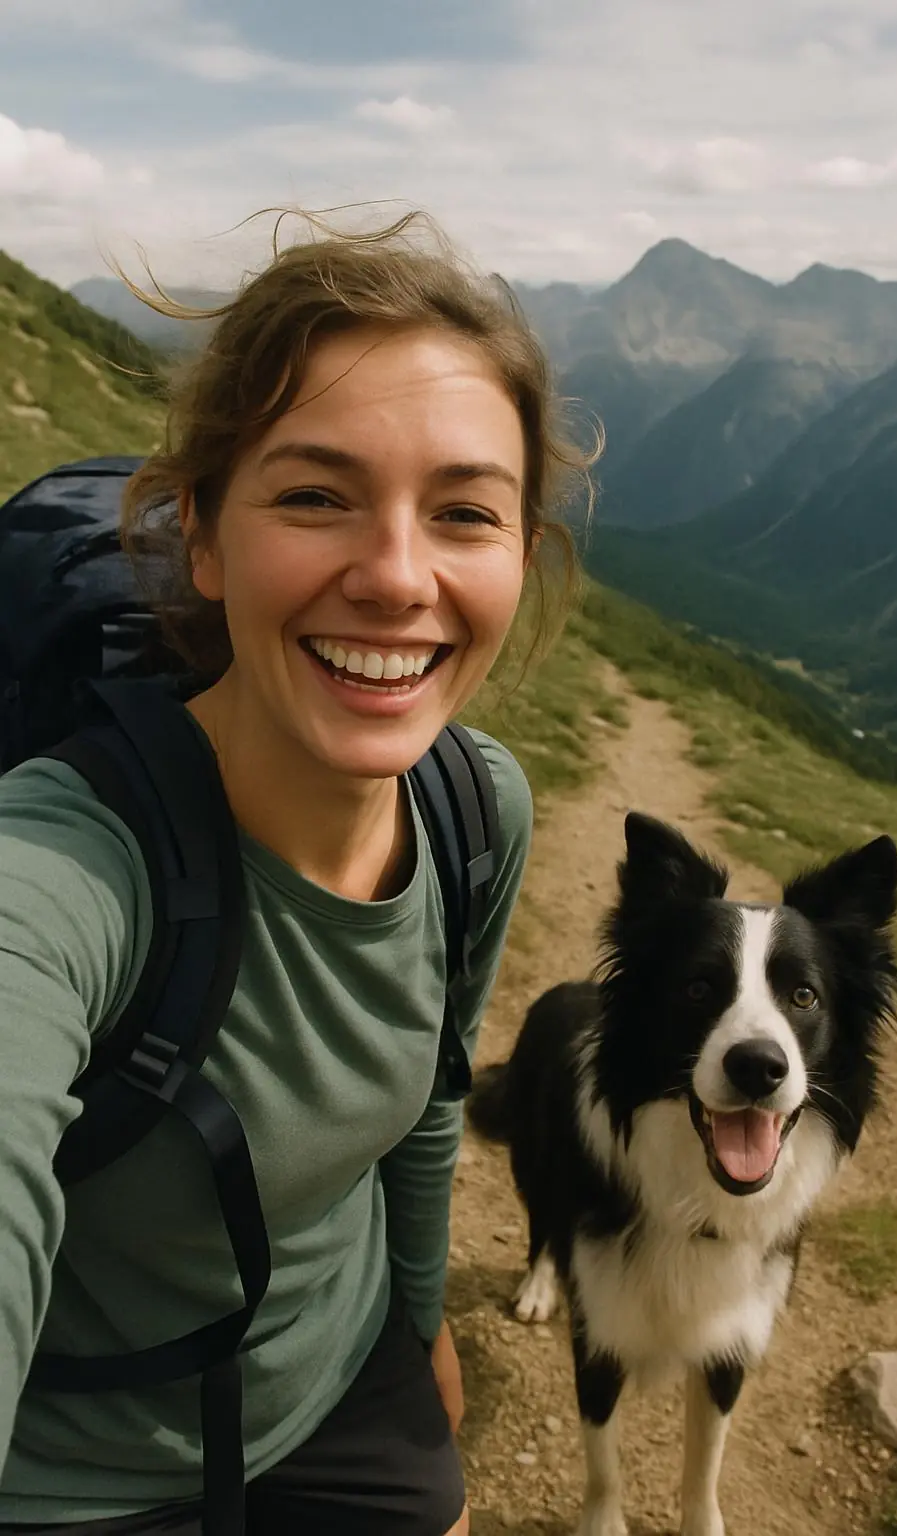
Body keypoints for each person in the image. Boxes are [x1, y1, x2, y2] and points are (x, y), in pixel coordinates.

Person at [0, 210, 592, 1535]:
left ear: (521, 555)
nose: (396, 576)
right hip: (70, 1485)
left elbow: (432, 1089)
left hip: (340, 1381)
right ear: (199, 534)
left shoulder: (471, 809)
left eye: (464, 513)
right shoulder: (61, 871)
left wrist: (424, 1322)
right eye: (316, 495)